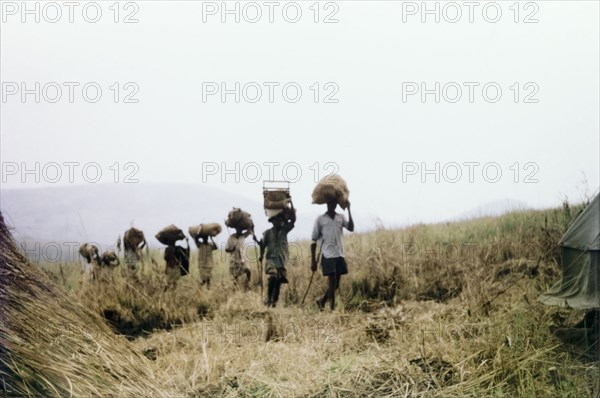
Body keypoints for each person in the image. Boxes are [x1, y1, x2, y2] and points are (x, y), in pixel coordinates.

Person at [311, 200, 354, 311]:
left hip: (339, 254)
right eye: (330, 203)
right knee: (332, 282)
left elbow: (351, 228)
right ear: (327, 204)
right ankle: (332, 310)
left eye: (334, 203)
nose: (332, 205)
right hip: (327, 254)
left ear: (336, 204)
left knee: (335, 285)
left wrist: (349, 209)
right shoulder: (320, 219)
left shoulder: (340, 217)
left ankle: (321, 301)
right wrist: (313, 261)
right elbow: (313, 240)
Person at [259, 203, 296, 307]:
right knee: (273, 276)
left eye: (281, 221)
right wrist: (261, 255)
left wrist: (291, 202)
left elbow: (293, 220)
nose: (279, 222)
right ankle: (268, 298)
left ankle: (274, 302)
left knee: (279, 281)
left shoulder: (285, 231)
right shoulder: (267, 233)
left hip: (282, 260)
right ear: (273, 222)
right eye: (277, 221)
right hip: (271, 260)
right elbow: (263, 245)